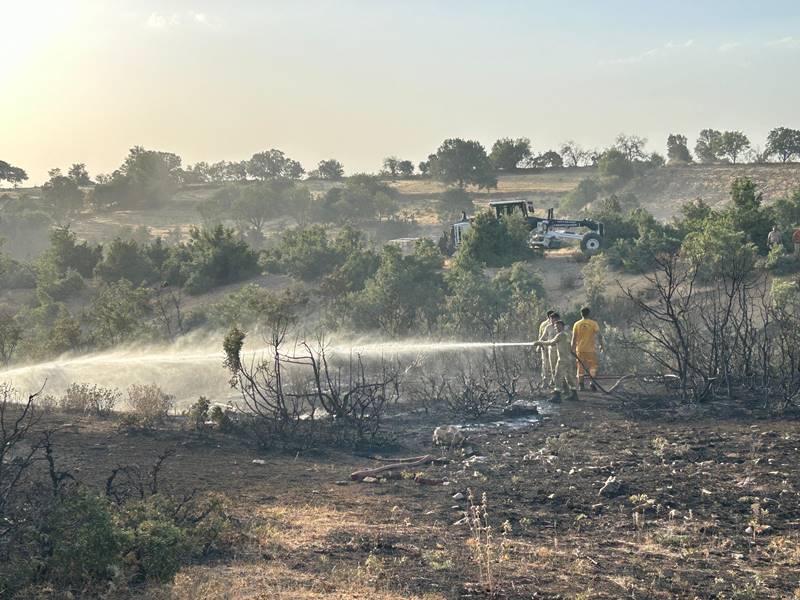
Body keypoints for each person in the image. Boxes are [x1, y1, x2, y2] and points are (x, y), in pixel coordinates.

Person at [533, 320, 578, 401]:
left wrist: (539, 342)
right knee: (569, 377)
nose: (556, 328)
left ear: (562, 326)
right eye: (555, 327)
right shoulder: (567, 335)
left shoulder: (560, 335)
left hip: (562, 359)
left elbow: (551, 342)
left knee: (557, 376)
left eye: (557, 326)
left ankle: (557, 396)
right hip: (569, 359)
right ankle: (574, 394)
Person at [571, 306, 604, 391]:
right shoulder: (593, 323)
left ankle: (581, 385)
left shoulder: (576, 324)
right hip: (590, 350)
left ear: (581, 314)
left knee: (580, 367)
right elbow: (599, 335)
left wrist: (572, 348)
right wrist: (601, 345)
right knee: (593, 366)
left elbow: (574, 338)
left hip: (580, 350)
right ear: (589, 314)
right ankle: (592, 383)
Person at [537, 310, 557, 387]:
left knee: (550, 364)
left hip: (551, 347)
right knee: (546, 364)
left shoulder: (555, 324)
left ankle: (551, 381)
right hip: (546, 347)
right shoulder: (546, 325)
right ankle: (547, 381)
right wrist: (539, 345)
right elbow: (541, 336)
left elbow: (540, 336)